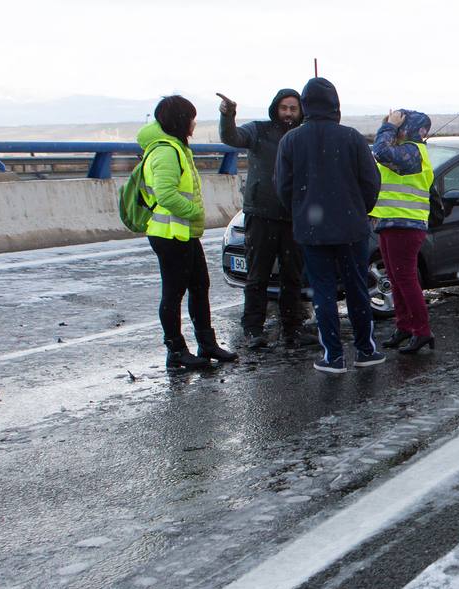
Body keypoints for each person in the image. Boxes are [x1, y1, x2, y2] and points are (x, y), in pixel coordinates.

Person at [274, 77, 383, 374]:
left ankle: (333, 356)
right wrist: (360, 209)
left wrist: (301, 210)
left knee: (322, 291)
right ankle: (365, 349)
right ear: (335, 104)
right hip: (351, 227)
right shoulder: (352, 138)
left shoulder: (291, 140)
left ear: (306, 105)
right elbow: (372, 182)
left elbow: (282, 186)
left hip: (313, 230)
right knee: (357, 288)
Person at [138, 95, 235, 371]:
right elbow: (167, 194)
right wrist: (194, 212)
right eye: (191, 117)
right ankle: (176, 350)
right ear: (181, 121)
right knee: (173, 294)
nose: (194, 122)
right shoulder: (166, 151)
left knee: (199, 286)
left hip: (184, 234)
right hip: (169, 235)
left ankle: (207, 343)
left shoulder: (177, 147)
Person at [218, 87, 310, 349]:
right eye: (284, 108)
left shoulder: (303, 136)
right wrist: (228, 115)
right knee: (257, 274)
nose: (289, 113)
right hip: (261, 214)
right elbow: (231, 137)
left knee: (292, 276)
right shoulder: (258, 131)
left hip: (293, 216)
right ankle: (253, 329)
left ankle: (292, 329)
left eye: (293, 108)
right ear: (275, 109)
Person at [371, 109, 437, 354]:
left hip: (406, 225)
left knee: (406, 280)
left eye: (398, 126)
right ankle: (405, 326)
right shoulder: (405, 151)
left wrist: (388, 127)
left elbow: (381, 151)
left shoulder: (412, 152)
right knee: (396, 278)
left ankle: (422, 331)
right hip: (390, 223)